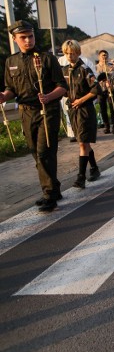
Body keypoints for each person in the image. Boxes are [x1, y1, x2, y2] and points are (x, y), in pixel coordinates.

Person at [1, 20, 68, 212]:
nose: (28, 40)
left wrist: (48, 96)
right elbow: (11, 89)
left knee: (44, 151)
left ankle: (49, 194)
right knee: (35, 153)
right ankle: (54, 187)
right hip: (26, 112)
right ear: (15, 39)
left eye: (30, 36)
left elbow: (62, 87)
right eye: (23, 37)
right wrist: (4, 96)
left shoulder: (47, 58)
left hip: (47, 111)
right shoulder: (11, 62)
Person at [60, 40, 102, 189]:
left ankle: (81, 177)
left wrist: (81, 100)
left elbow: (96, 89)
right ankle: (95, 168)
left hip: (85, 110)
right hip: (72, 110)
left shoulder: (84, 70)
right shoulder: (64, 71)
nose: (70, 56)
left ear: (78, 53)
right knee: (82, 142)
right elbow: (62, 88)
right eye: (67, 53)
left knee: (83, 143)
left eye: (72, 53)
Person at [95, 50, 114, 134]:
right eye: (102, 55)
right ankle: (106, 126)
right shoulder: (96, 67)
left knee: (112, 108)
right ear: (99, 57)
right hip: (101, 90)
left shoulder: (111, 66)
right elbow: (95, 78)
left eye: (106, 55)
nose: (104, 57)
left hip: (110, 89)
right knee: (103, 109)